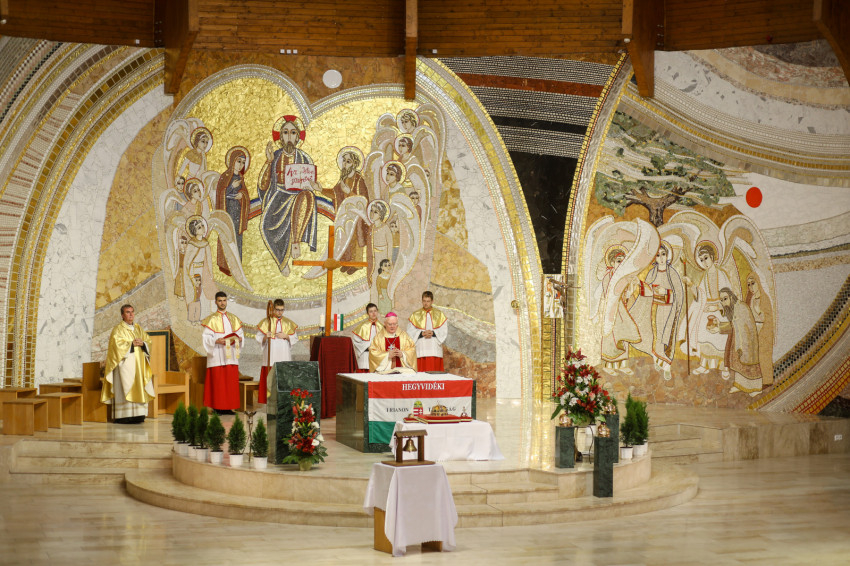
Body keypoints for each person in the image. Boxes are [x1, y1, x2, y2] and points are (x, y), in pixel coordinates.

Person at [257, 116, 320, 276]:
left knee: (306, 196)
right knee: (265, 227)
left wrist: (313, 186)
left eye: (293, 133)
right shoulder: (275, 156)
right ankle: (282, 261)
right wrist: (268, 162)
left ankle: (295, 242)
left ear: (298, 137)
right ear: (281, 137)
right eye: (285, 132)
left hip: (299, 196)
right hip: (279, 196)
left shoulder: (304, 158)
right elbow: (263, 186)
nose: (289, 137)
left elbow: (310, 181)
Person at [628, 241, 684, 379]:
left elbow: (679, 295)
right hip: (654, 310)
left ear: (667, 255)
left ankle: (666, 365)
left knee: (665, 339)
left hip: (669, 311)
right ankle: (660, 363)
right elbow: (646, 292)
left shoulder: (672, 274)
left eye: (663, 254)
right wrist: (639, 284)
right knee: (655, 338)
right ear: (655, 257)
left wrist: (666, 291)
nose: (661, 258)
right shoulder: (652, 273)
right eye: (658, 255)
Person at [101, 305, 155, 424]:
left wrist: (143, 343)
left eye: (132, 312)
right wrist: (131, 344)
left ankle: (139, 415)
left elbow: (148, 341)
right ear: (122, 315)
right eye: (127, 312)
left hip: (139, 365)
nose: (131, 314)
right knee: (125, 387)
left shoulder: (138, 328)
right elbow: (115, 346)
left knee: (139, 387)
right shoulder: (118, 329)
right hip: (125, 366)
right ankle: (124, 416)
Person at [709, 288, 762, 396]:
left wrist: (719, 328)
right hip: (740, 339)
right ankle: (740, 385)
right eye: (722, 300)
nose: (724, 302)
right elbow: (734, 325)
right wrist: (719, 325)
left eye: (725, 299)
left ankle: (756, 388)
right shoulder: (735, 307)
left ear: (731, 297)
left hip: (747, 341)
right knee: (738, 362)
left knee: (749, 365)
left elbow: (737, 326)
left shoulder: (740, 307)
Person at [201, 291, 244, 413]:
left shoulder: (234, 319)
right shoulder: (211, 319)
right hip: (217, 354)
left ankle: (229, 407)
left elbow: (240, 334)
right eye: (220, 301)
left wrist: (240, 339)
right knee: (218, 383)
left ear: (226, 301)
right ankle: (217, 408)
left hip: (231, 355)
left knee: (230, 383)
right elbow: (205, 337)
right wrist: (216, 341)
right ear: (216, 302)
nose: (222, 303)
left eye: (224, 300)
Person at [331, 147, 369, 274]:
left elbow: (363, 200)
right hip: (345, 214)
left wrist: (349, 192)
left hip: (357, 216)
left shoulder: (359, 180)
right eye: (344, 161)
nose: (345, 164)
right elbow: (334, 194)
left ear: (355, 164)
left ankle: (356, 265)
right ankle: (346, 262)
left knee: (355, 239)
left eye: (348, 161)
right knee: (344, 237)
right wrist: (319, 189)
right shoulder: (343, 179)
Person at [255, 299, 298, 404]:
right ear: (273, 309)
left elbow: (295, 338)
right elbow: (258, 338)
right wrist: (266, 337)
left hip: (283, 354)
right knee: (270, 378)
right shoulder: (266, 322)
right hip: (271, 355)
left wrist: (286, 336)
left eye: (282, 310)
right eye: (278, 310)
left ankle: (283, 401)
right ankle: (269, 400)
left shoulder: (288, 322)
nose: (280, 312)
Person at [215, 147, 250, 274]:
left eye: (243, 162)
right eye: (238, 161)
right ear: (232, 161)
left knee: (237, 238)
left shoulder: (241, 178)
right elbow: (220, 194)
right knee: (227, 236)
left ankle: (236, 266)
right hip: (228, 210)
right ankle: (225, 265)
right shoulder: (225, 176)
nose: (240, 165)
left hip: (238, 213)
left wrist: (242, 195)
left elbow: (246, 195)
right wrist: (231, 187)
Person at [407, 290, 448, 372]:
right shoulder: (415, 315)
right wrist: (421, 333)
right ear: (422, 301)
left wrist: (433, 333)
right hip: (421, 347)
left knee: (434, 371)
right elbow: (410, 331)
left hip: (434, 348)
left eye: (428, 301)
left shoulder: (439, 314)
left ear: (432, 301)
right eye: (424, 301)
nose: (426, 303)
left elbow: (444, 330)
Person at [351, 303, 383, 372]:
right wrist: (367, 346)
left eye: (375, 311)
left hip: (377, 356)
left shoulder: (382, 327)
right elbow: (355, 341)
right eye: (371, 311)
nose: (373, 313)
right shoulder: (363, 326)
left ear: (377, 311)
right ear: (367, 313)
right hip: (365, 356)